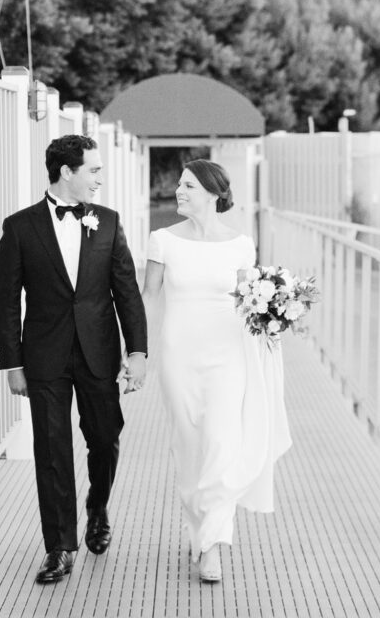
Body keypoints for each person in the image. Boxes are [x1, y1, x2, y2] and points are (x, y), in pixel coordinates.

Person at [0, 134, 147, 585]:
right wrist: (12, 363)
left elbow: (127, 292)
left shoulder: (108, 221)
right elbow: (6, 301)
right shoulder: (20, 227)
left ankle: (97, 506)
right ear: (67, 172)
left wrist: (136, 351)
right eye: (93, 170)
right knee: (52, 449)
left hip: (99, 351)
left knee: (104, 438)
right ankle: (59, 546)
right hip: (44, 356)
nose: (99, 178)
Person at [142, 159, 291, 583]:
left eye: (188, 185)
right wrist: (136, 350)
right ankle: (199, 532)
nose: (179, 191)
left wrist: (273, 315)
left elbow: (249, 300)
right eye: (180, 184)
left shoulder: (241, 244)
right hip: (178, 355)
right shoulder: (162, 240)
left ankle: (212, 545)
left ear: (212, 193)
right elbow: (149, 297)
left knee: (222, 442)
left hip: (229, 353)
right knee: (189, 447)